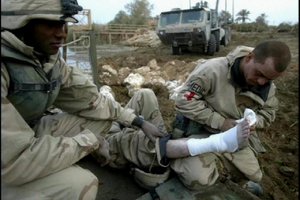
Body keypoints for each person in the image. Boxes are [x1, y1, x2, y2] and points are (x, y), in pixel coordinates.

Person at [1, 0, 252, 199]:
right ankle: (159, 152)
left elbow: (93, 101)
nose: (63, 34)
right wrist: (88, 142)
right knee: (82, 184)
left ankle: (155, 150)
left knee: (137, 100)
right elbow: (12, 160)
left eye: (65, 24)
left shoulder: (46, 60)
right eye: (51, 24)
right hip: (11, 159)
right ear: (22, 22)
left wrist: (138, 121)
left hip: (31, 132)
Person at [167, 40, 291, 195]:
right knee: (197, 179)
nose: (261, 82)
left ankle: (223, 169)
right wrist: (220, 122)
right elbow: (185, 100)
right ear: (249, 58)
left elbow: (269, 112)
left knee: (255, 176)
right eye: (259, 74)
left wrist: (253, 122)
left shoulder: (267, 87)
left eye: (268, 79)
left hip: (236, 137)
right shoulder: (212, 70)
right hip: (201, 130)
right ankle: (185, 158)